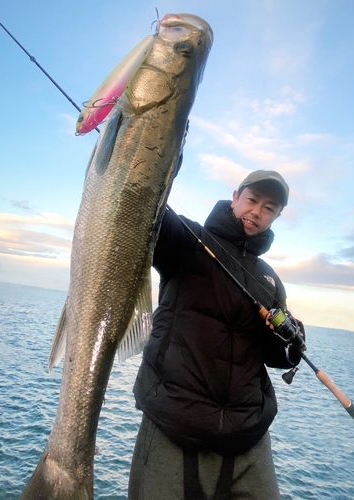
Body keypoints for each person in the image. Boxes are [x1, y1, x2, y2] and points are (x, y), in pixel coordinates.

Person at [129, 170, 304, 500]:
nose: (256, 211)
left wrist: (292, 340)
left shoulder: (270, 280)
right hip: (175, 424)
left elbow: (275, 355)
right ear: (235, 197)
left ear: (277, 216)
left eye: (269, 208)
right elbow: (144, 209)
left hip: (249, 435)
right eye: (252, 200)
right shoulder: (188, 241)